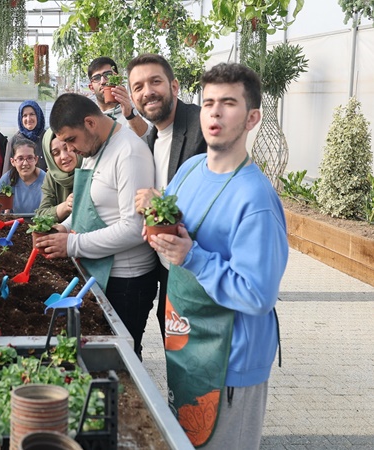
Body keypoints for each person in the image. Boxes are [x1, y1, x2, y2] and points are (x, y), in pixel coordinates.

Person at [153, 63, 288, 449]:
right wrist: (158, 230)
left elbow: (258, 296)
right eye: (209, 102)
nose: (214, 112)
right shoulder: (192, 169)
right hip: (189, 345)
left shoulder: (256, 199)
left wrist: (192, 256)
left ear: (252, 118)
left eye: (229, 103)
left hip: (232, 361)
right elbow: (172, 232)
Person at [35, 93, 156, 358]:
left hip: (126, 283)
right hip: (100, 273)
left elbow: (134, 228)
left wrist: (71, 243)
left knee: (120, 359)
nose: (70, 149)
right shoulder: (94, 147)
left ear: (90, 123)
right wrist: (64, 228)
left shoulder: (129, 153)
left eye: (70, 140)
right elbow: (90, 205)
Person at [128, 53, 208, 340]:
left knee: (199, 365)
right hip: (166, 270)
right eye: (138, 87)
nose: (147, 92)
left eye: (155, 82)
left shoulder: (202, 126)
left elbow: (218, 195)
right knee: (175, 351)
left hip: (201, 273)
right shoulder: (149, 140)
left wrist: (159, 202)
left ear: (174, 87)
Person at [87, 56, 150, 140]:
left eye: (108, 75)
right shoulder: (90, 117)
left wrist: (130, 114)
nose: (103, 81)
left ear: (119, 80)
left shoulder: (136, 108)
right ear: (91, 88)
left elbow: (150, 140)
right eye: (97, 78)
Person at [35, 129, 82, 222]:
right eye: (56, 153)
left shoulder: (90, 168)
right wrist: (65, 206)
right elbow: (41, 216)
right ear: (50, 158)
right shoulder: (51, 176)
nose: (64, 156)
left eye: (67, 148)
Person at [0, 138, 46, 214]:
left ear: (36, 160)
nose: (25, 163)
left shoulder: (45, 180)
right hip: (13, 223)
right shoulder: (6, 179)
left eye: (30, 158)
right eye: (20, 158)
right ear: (13, 162)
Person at [1, 100, 48, 173]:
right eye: (25, 115)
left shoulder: (47, 138)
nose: (28, 119)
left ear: (38, 115)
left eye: (32, 114)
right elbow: (7, 172)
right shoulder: (14, 140)